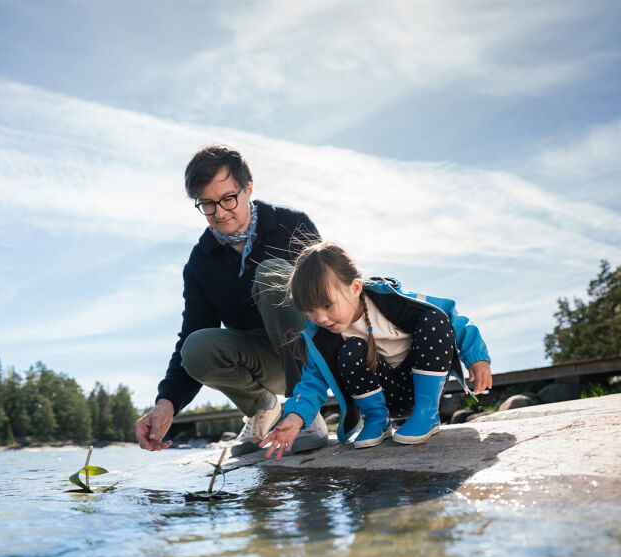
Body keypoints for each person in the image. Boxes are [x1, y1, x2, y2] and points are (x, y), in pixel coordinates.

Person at [135, 145, 329, 456]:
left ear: (248, 188)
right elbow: (191, 335)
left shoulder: (292, 225)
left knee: (272, 275)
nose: (220, 213)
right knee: (195, 347)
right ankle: (263, 409)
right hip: (264, 362)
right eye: (208, 204)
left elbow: (330, 295)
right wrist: (165, 403)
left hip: (314, 354)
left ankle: (304, 411)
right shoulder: (200, 262)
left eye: (228, 199)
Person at [260, 241, 492, 461]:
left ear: (355, 288)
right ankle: (377, 421)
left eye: (328, 305)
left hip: (420, 387)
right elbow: (312, 383)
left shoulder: (393, 300)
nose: (320, 318)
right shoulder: (321, 337)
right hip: (382, 396)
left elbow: (449, 315)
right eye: (310, 310)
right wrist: (295, 416)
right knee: (351, 350)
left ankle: (427, 414)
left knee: (434, 319)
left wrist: (476, 357)